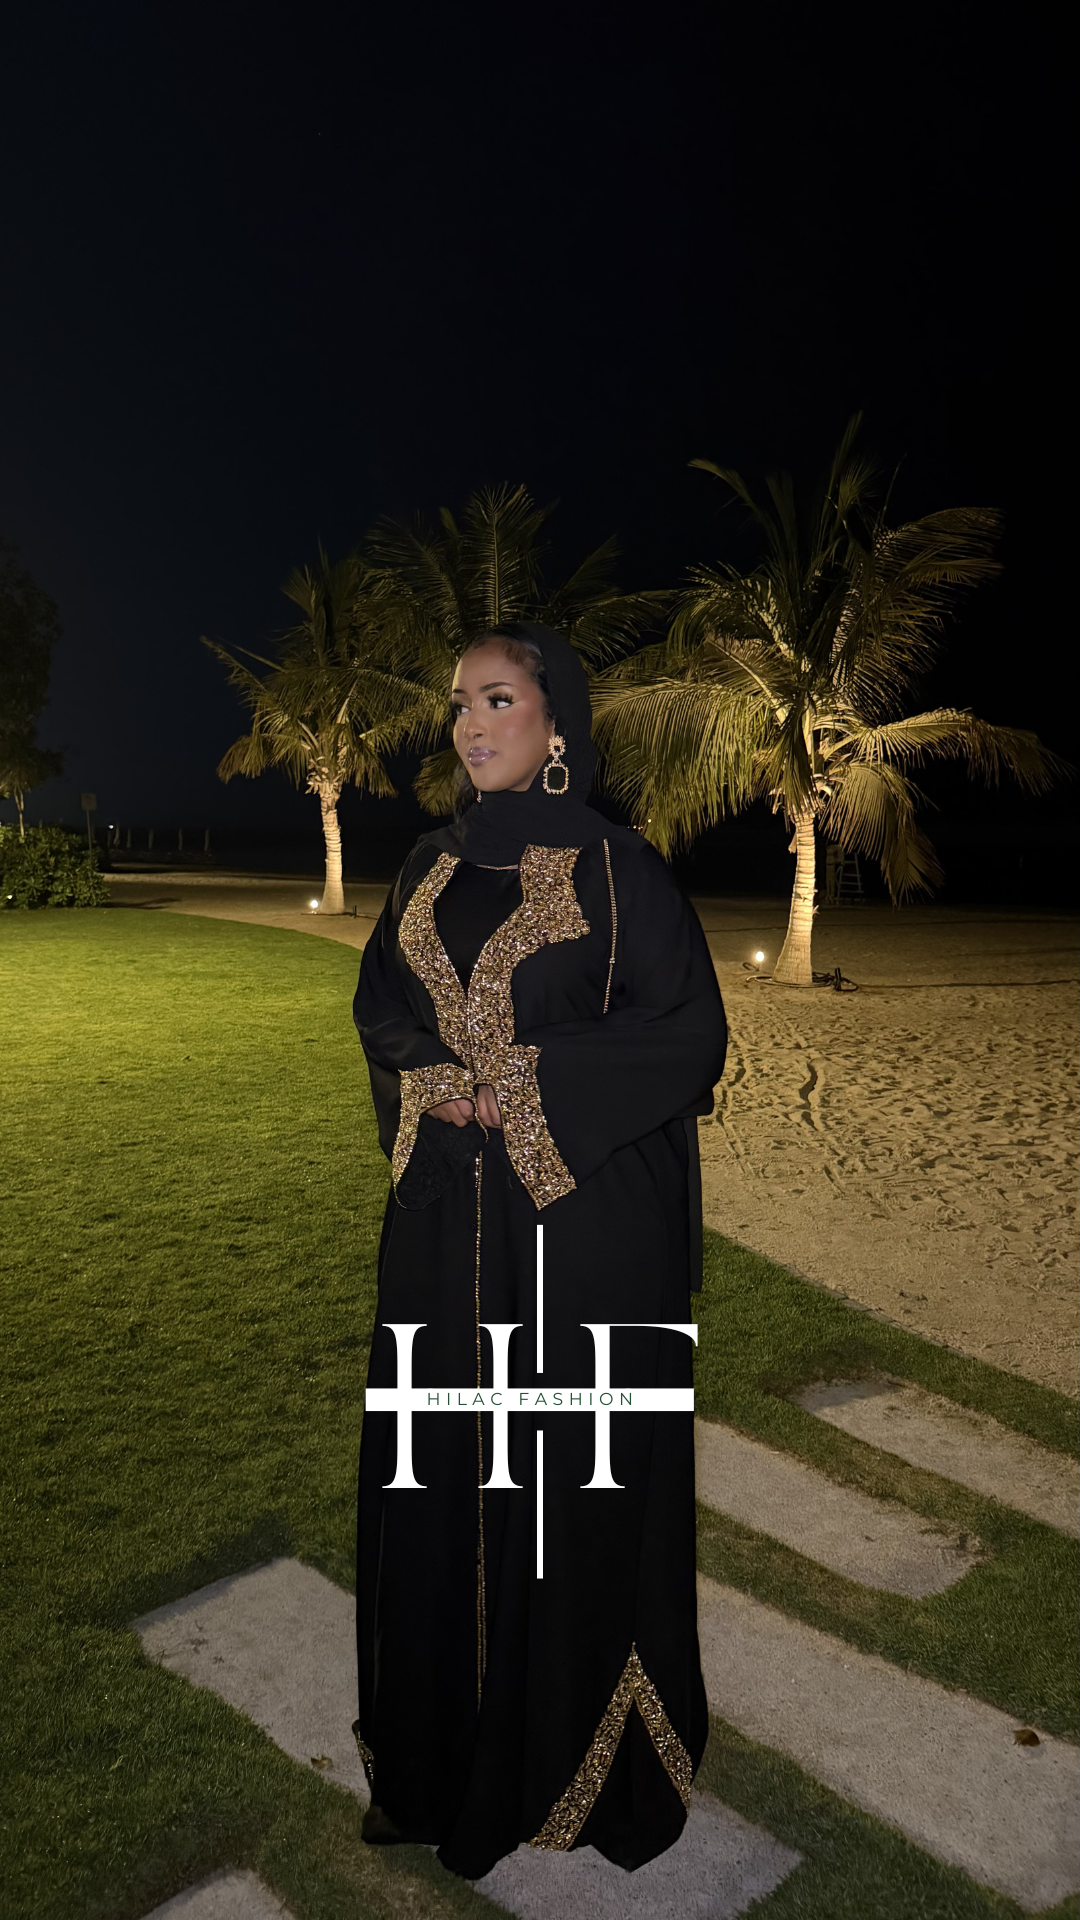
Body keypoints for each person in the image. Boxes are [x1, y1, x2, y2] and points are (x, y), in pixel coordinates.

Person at [352, 621, 727, 1880]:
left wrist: (524, 1084)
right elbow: (382, 1005)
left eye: (498, 699)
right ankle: (439, 1755)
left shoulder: (622, 871)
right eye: (460, 703)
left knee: (568, 1488)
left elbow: (689, 1035)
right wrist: (430, 1077)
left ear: (557, 722)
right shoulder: (426, 864)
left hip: (581, 1240)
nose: (471, 724)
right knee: (440, 1476)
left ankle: (576, 1762)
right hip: (442, 1233)